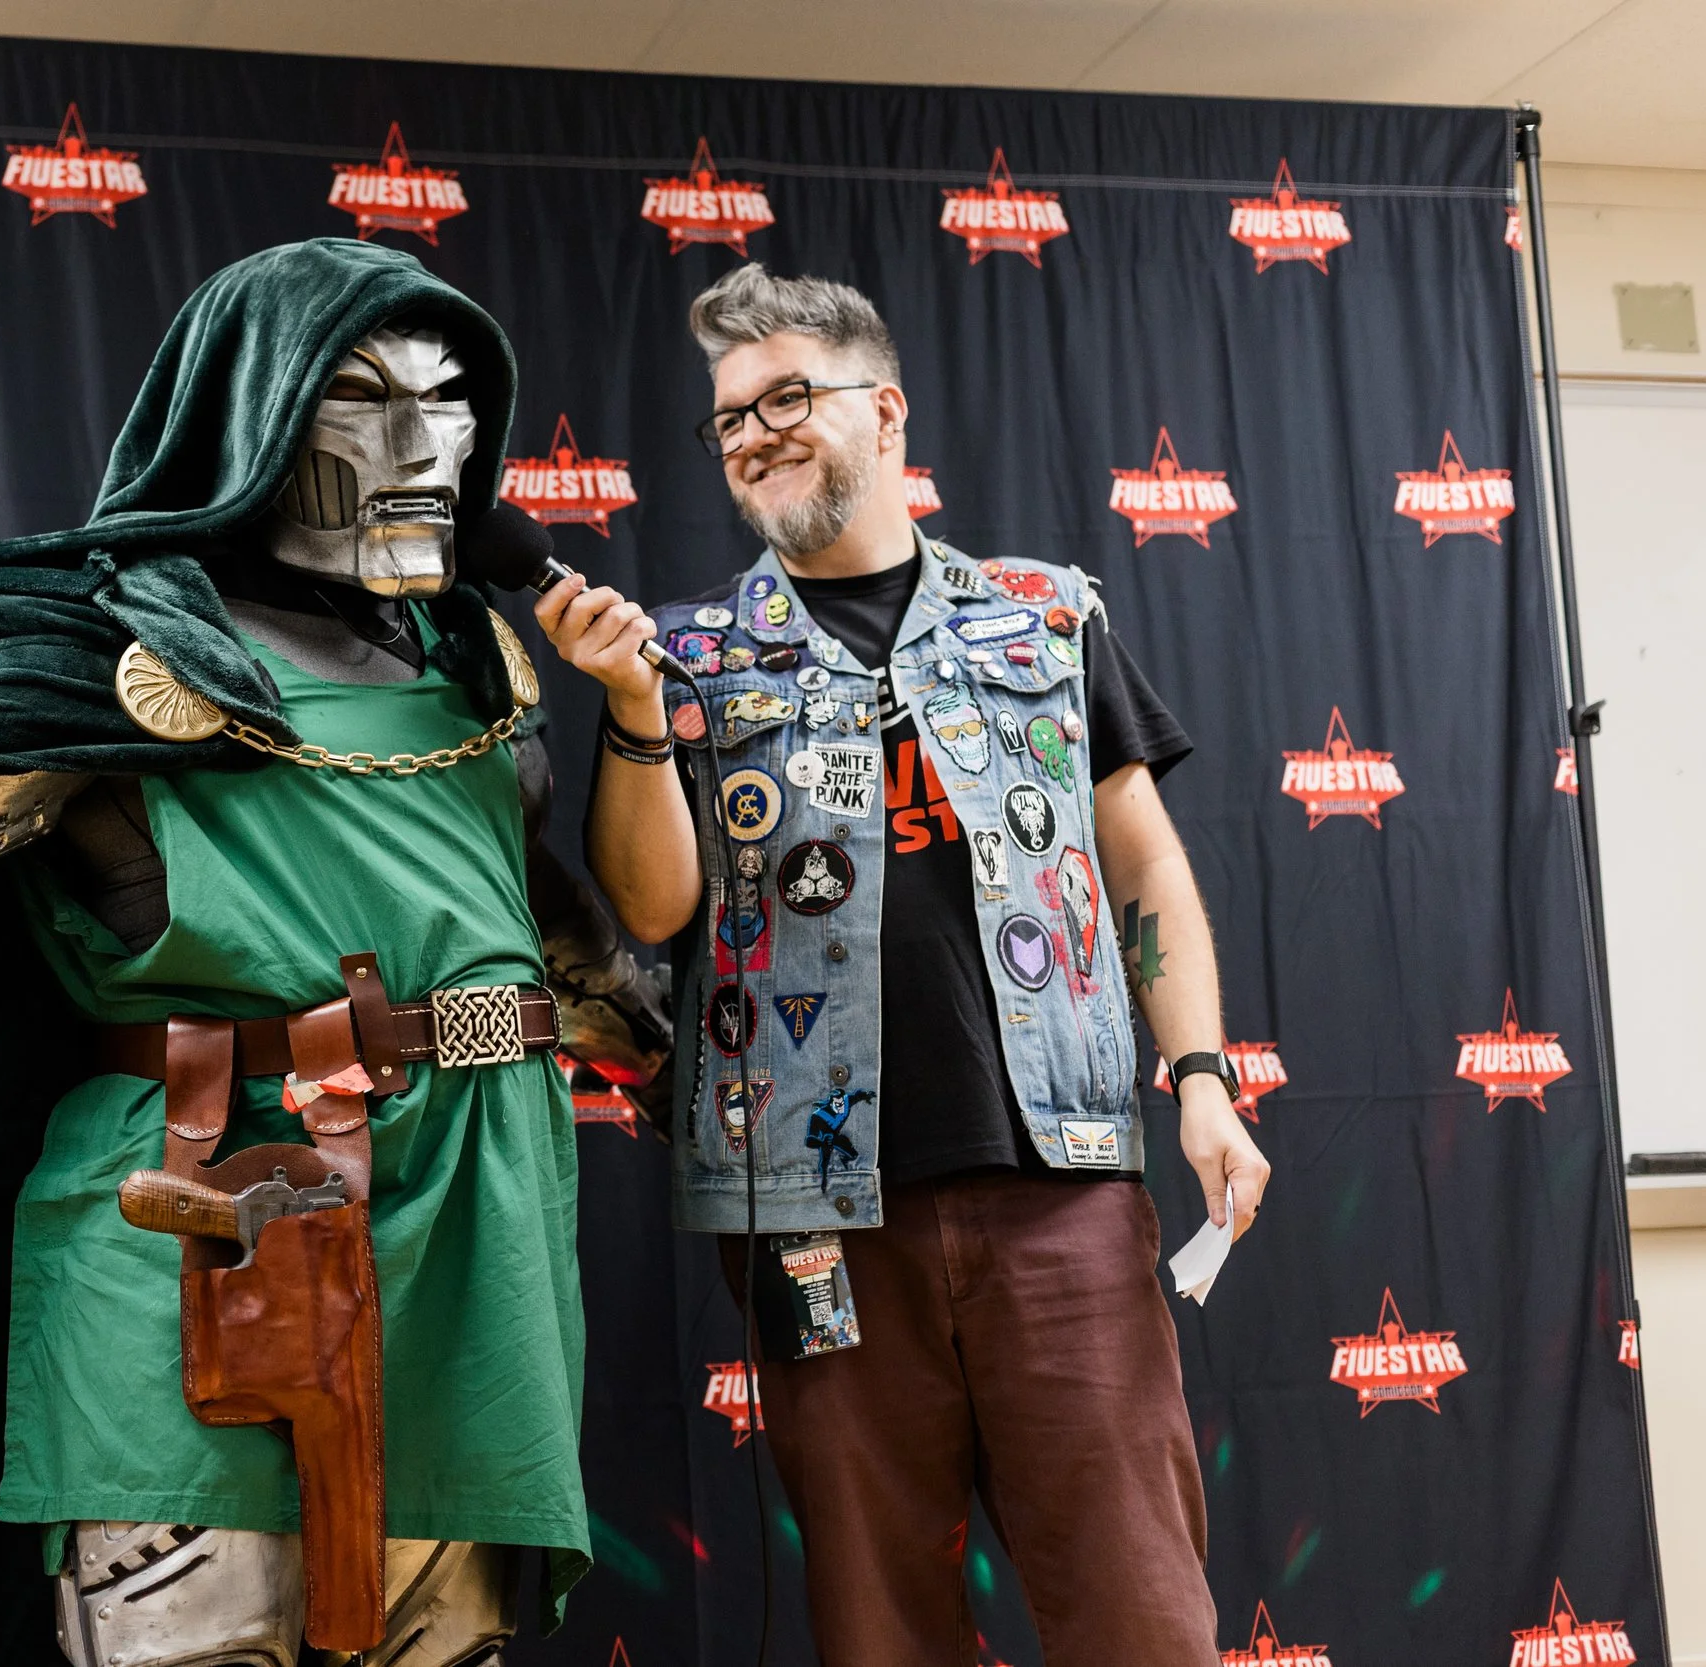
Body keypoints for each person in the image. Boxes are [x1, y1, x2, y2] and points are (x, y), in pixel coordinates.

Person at [0, 239, 667, 1667]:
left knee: (445, 1644)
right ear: (247, 412)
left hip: (475, 1234)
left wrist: (654, 1036)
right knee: (193, 1635)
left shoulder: (477, 673)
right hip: (195, 1215)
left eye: (449, 396)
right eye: (362, 396)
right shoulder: (98, 648)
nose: (422, 443)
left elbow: (541, 932)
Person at [533, 262, 1271, 1667]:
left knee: (1140, 1611)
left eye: (785, 399)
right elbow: (653, 902)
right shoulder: (684, 655)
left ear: (885, 411)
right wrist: (630, 709)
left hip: (1058, 1187)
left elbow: (1144, 862)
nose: (753, 436)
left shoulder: (1048, 614)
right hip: (811, 1217)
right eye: (730, 418)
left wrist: (1201, 1077)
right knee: (882, 1626)